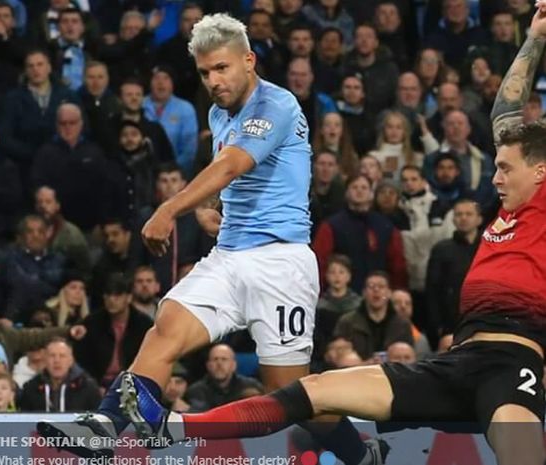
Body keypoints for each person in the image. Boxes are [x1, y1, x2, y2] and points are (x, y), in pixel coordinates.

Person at [114, 8, 546, 465]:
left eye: (503, 167)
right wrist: (535, 36)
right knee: (311, 390)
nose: (494, 177)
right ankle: (174, 428)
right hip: (454, 362)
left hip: (512, 368)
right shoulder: (511, 201)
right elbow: (506, 110)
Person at [39, 13, 383, 465]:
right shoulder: (219, 112)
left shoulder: (276, 105)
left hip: (281, 264)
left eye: (221, 68)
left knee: (289, 393)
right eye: (204, 73)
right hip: (228, 255)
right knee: (166, 326)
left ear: (248, 60)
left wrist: (169, 208)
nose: (213, 81)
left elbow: (230, 167)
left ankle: (362, 455)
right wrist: (221, 217)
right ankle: (104, 429)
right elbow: (249, 182)